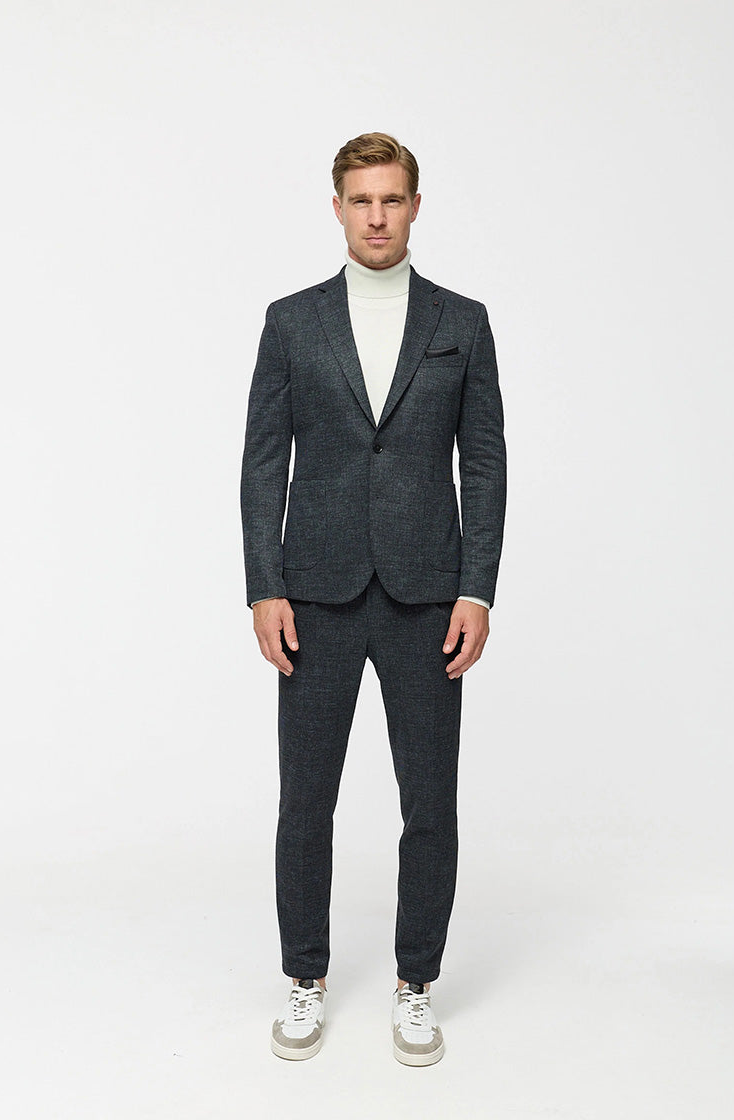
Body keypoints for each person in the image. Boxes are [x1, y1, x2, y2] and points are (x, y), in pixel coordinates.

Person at [240, 132, 506, 1066]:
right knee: (305, 802)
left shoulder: (462, 322)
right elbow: (263, 462)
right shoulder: (291, 321)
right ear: (338, 208)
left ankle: (415, 981)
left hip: (429, 595)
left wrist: (477, 588)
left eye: (392, 199)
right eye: (362, 200)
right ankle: (304, 976)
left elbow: (484, 462)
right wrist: (264, 587)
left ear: (416, 206)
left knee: (429, 802)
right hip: (314, 593)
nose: (378, 217)